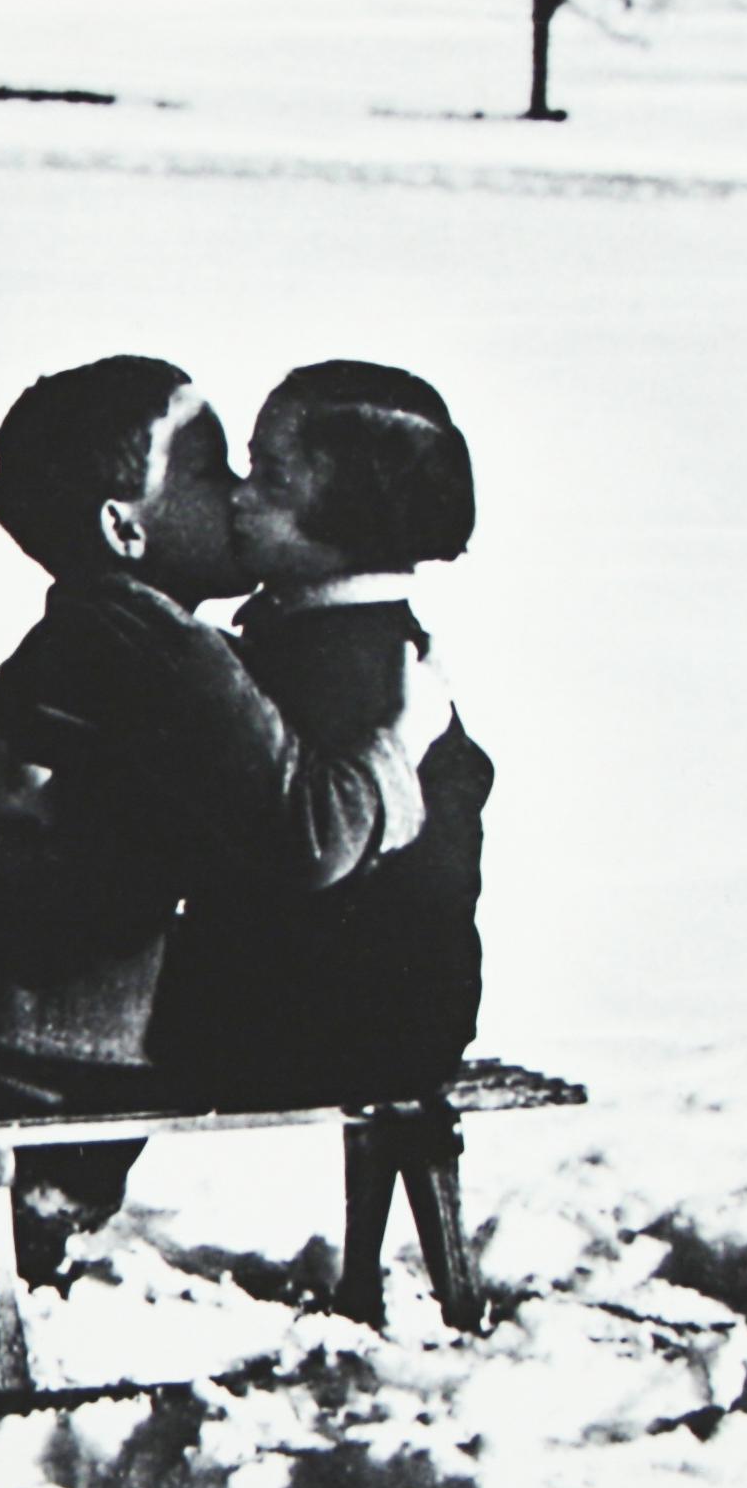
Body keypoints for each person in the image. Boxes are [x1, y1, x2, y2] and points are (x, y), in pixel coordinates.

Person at [0, 354, 451, 1313]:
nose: (240, 492)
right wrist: (395, 746)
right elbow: (303, 833)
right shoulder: (158, 645)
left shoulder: (98, 626)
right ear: (124, 527)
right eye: (206, 472)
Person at [146, 361, 492, 1111]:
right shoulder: (383, 640)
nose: (238, 493)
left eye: (272, 479)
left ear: (350, 512)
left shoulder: (321, 660)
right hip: (411, 1029)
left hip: (304, 1029)